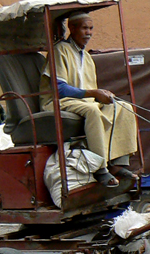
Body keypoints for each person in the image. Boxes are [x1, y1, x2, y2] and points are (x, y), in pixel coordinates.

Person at [41, 12, 139, 187]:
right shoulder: (60, 50)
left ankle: (118, 163)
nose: (89, 33)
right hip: (59, 101)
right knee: (92, 110)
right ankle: (100, 168)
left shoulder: (86, 57)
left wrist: (103, 95)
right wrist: (94, 93)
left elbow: (91, 91)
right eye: (85, 28)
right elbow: (59, 89)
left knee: (123, 107)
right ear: (72, 28)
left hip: (83, 101)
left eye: (91, 28)